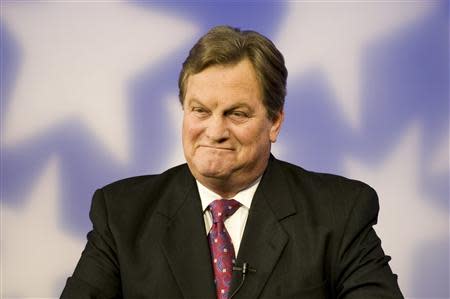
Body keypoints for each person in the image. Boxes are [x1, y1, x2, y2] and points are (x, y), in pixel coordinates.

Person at [61, 25, 404, 299]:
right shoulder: (122, 213)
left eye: (236, 113)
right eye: (200, 111)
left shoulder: (339, 212)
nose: (215, 131)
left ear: (274, 123)